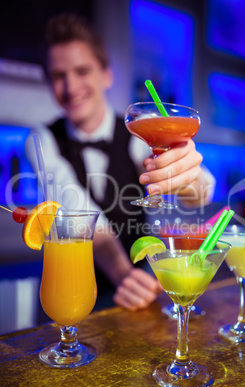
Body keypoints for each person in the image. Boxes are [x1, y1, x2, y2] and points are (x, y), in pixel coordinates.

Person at [26, 13, 216, 311]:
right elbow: (81, 215)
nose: (71, 86)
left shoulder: (135, 131)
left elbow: (202, 193)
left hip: (135, 298)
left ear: (106, 74)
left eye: (82, 71)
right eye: (58, 76)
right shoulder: (41, 140)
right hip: (70, 289)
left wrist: (188, 175)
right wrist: (125, 276)